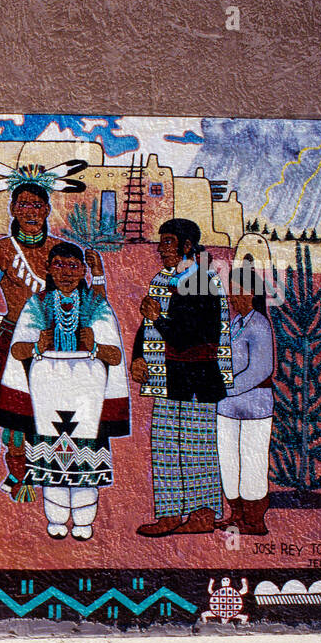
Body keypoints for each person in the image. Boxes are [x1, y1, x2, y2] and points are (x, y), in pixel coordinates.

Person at [0, 159, 89, 496]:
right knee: (15, 413)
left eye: (37, 204)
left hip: (58, 341)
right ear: (12, 208)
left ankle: (53, 468)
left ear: (48, 208)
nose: (30, 211)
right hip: (13, 340)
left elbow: (83, 302)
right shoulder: (5, 251)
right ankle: (18, 473)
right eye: (23, 204)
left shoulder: (60, 252)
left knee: (56, 410)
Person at [0, 242, 129, 540]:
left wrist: (94, 345)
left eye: (73, 266)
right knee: (50, 463)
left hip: (87, 397)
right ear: (48, 269)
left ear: (83, 270)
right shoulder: (37, 304)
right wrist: (36, 346)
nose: (67, 273)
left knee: (86, 463)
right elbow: (19, 350)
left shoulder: (97, 305)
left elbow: (115, 355)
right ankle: (56, 519)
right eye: (59, 265)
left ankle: (84, 521)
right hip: (49, 396)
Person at [130, 218, 233, 536]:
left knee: (197, 449)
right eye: (161, 242)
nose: (161, 250)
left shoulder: (204, 281)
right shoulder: (163, 278)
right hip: (167, 377)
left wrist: (157, 317)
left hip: (197, 378)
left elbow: (189, 335)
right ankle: (171, 513)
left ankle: (202, 514)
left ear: (188, 246)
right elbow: (149, 325)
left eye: (168, 242)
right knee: (164, 447)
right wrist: (138, 356)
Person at [216, 261, 275, 535]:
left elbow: (260, 369)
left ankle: (254, 519)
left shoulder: (260, 325)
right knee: (228, 460)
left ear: (251, 293)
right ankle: (236, 513)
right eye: (230, 291)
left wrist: (226, 388)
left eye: (236, 291)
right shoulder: (234, 323)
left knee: (252, 460)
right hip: (228, 406)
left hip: (255, 405)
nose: (231, 297)